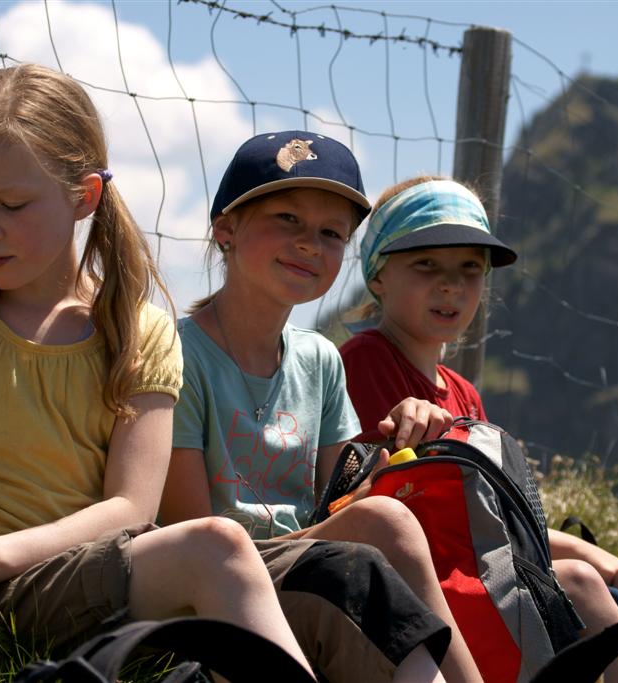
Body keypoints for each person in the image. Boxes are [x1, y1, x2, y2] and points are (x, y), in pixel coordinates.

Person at [0, 64, 317, 675]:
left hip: (58, 575)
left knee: (350, 561)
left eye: (12, 204)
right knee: (219, 547)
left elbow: (131, 507)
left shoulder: (138, 332)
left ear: (85, 197)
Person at [161, 131, 482, 682]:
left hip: (304, 570)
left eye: (331, 233)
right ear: (225, 230)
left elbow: (338, 500)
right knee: (383, 526)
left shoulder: (320, 359)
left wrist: (389, 459)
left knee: (381, 531)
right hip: (209, 579)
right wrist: (364, 515)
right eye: (287, 218)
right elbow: (191, 532)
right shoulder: (175, 353)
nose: (310, 243)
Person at [340, 174, 618, 683]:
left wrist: (589, 551)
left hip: (466, 572)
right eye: (426, 265)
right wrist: (582, 551)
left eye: (470, 268)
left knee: (584, 581)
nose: (451, 285)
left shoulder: (463, 392)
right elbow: (379, 505)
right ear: (378, 277)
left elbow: (492, 521)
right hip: (412, 586)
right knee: (579, 582)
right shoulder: (365, 362)